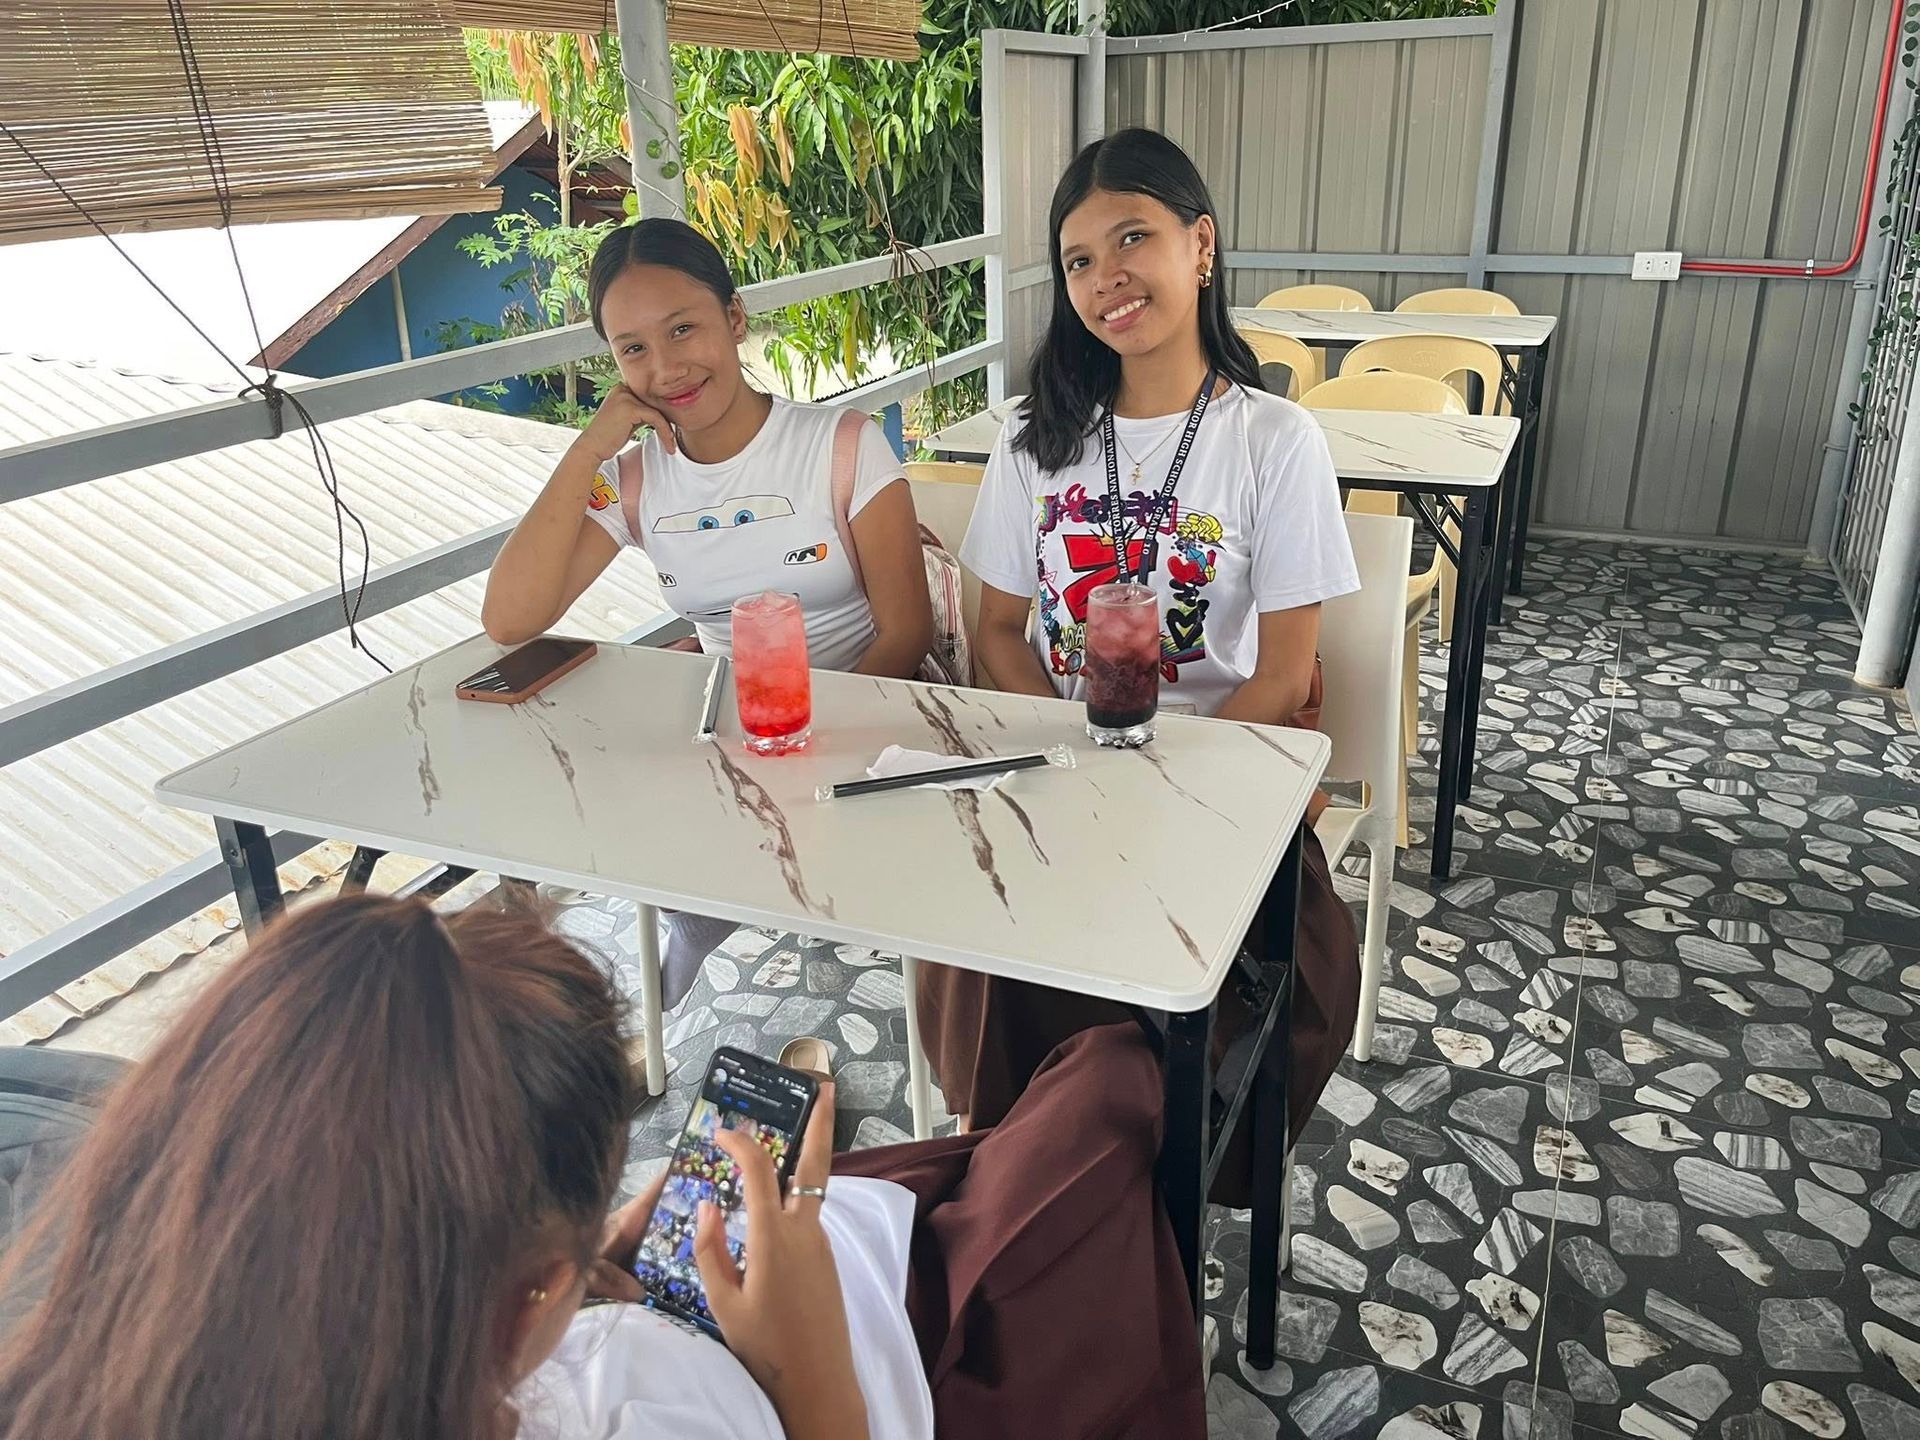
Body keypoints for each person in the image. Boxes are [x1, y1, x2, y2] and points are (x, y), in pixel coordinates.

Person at [0, 894, 1202, 1440]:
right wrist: (805, 1374)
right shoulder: (633, 1397)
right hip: (874, 1349)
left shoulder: (114, 1360)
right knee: (1107, 1093)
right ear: (529, 1291)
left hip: (736, 1284)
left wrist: (606, 1256)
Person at [918, 127, 1362, 1196]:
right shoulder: (1037, 442)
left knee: (1214, 991)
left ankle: (1125, 1200)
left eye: (1133, 239)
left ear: (1199, 246)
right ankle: (1029, 1193)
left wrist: (1166, 786)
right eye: (1078, 260)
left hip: (1222, 786)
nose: (1106, 279)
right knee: (980, 940)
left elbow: (1286, 672)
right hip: (1068, 778)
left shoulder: (1273, 439)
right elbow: (994, 635)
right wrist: (1081, 760)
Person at [481, 218, 935, 1013]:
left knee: (869, 915)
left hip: (871, 720)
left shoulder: (843, 446)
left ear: (735, 317)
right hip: (734, 731)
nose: (666, 368)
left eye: (683, 328)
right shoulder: (633, 480)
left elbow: (907, 633)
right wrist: (585, 450)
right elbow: (512, 618)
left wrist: (807, 745)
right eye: (633, 349)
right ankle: (690, 962)